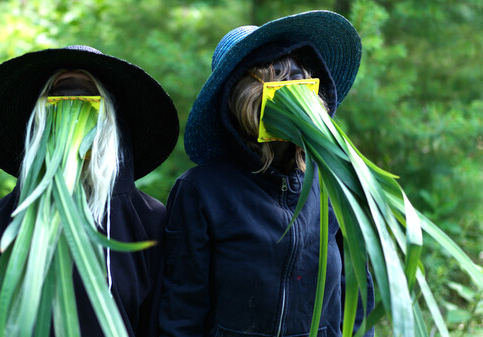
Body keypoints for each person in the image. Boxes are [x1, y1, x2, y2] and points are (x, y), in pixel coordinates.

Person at [159, 11, 375, 337]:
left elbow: (355, 302)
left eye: (292, 70)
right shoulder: (202, 191)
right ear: (235, 99)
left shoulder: (335, 184)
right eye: (269, 73)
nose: (286, 79)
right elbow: (182, 311)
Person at [0, 45, 179, 336]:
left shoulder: (148, 220)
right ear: (40, 118)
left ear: (110, 119)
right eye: (60, 96)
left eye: (88, 98)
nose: (73, 108)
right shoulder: (1, 223)